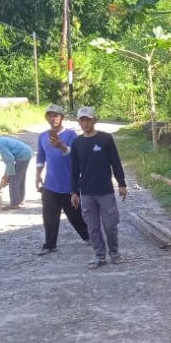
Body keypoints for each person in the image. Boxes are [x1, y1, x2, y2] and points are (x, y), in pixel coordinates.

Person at [70, 106, 127, 269]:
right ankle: (99, 256)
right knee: (92, 227)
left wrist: (121, 183)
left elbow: (115, 162)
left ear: (94, 120)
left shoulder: (105, 139)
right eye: (82, 120)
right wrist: (73, 191)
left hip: (105, 191)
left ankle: (114, 253)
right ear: (79, 122)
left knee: (110, 225)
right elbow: (74, 169)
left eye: (88, 119)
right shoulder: (77, 143)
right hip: (86, 192)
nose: (85, 123)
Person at [35, 104, 90, 255]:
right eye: (50, 116)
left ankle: (88, 237)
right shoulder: (42, 137)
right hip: (50, 183)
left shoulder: (71, 135)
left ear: (62, 118)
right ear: (47, 118)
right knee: (49, 216)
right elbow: (40, 157)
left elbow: (77, 155)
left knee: (74, 215)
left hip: (68, 183)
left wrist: (62, 146)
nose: (53, 119)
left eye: (56, 116)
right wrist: (37, 175)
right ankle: (50, 244)